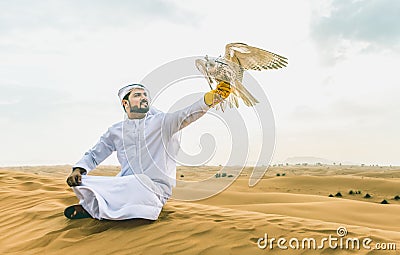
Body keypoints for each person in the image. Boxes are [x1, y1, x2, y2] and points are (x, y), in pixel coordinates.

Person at [65, 82, 231, 220]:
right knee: (88, 182)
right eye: (137, 95)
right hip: (125, 184)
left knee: (138, 183)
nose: (143, 97)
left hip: (154, 189)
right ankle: (94, 209)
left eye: (145, 95)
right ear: (125, 103)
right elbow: (95, 154)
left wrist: (210, 99)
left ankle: (98, 210)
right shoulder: (116, 131)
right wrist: (78, 170)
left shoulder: (161, 123)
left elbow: (187, 115)